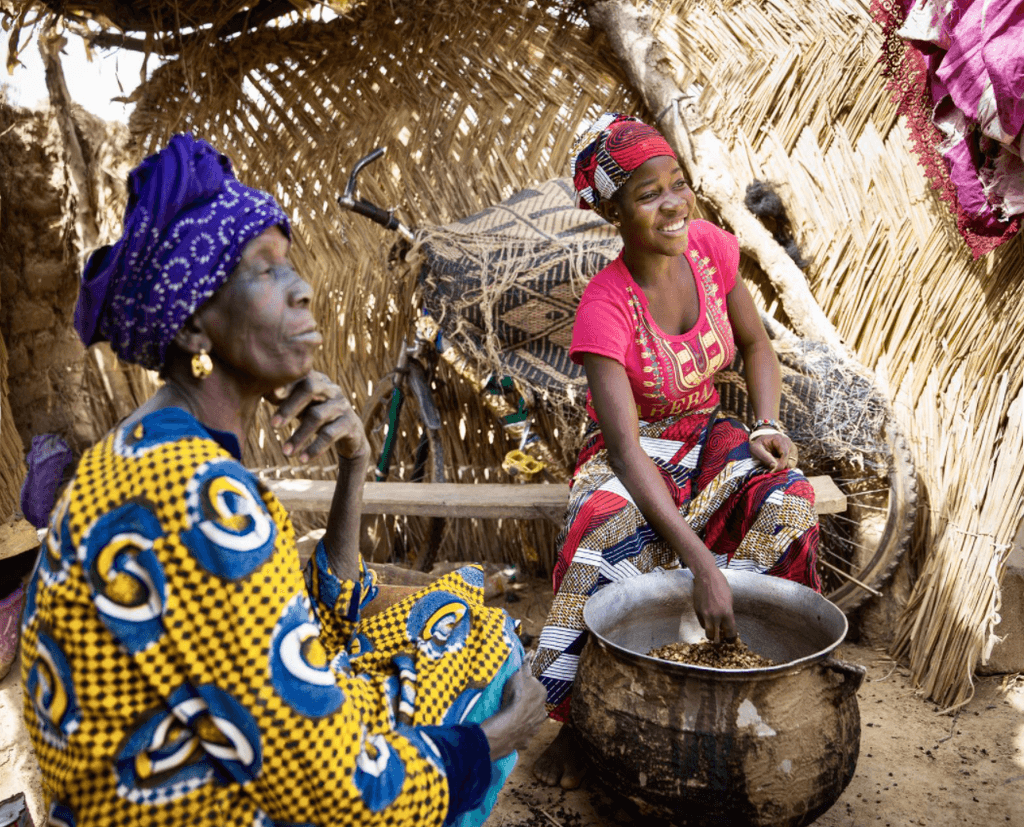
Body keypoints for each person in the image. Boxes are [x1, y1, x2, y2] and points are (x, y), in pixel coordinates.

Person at [19, 134, 547, 827]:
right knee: (489, 670)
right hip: (190, 805)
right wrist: (499, 737)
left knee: (461, 619)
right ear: (196, 330)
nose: (300, 286)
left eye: (290, 262)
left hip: (186, 768)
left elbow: (324, 610)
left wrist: (355, 461)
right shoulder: (194, 495)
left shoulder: (158, 448)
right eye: (263, 271)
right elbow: (336, 792)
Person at [530, 113, 821, 788]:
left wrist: (767, 421)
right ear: (615, 211)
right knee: (602, 532)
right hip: (630, 449)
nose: (672, 203)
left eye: (677, 184)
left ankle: (752, 678)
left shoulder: (711, 250)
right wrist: (699, 563)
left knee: (789, 500)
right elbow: (629, 451)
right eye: (647, 193)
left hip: (709, 433)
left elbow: (754, 346)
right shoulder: (605, 305)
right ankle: (573, 718)